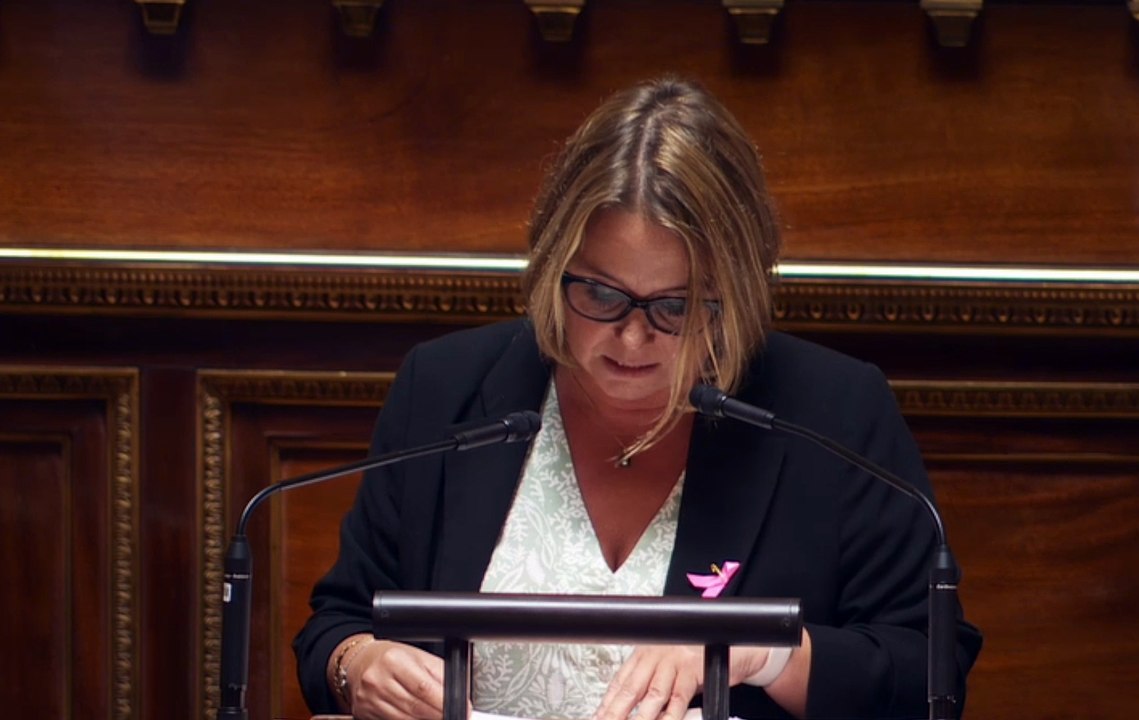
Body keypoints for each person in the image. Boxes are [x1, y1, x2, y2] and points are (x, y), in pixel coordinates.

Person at [294, 76, 982, 720]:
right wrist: (360, 664)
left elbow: (931, 671)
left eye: (674, 306)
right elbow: (337, 622)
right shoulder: (448, 387)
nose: (631, 338)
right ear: (552, 263)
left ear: (734, 291)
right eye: (600, 293)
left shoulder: (828, 412)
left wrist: (764, 650)